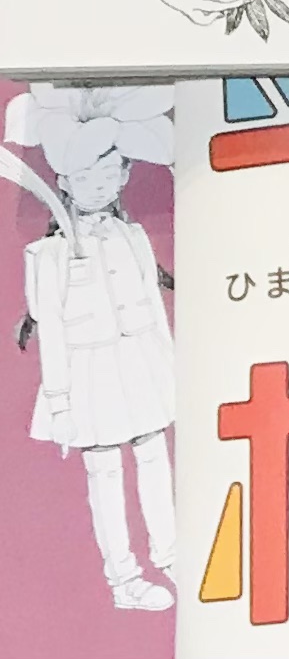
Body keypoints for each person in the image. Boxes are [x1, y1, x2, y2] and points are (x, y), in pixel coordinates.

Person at [5, 86, 177, 612]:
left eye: (107, 173)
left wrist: (171, 372)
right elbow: (53, 330)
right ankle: (124, 578)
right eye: (84, 177)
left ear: (124, 175)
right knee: (104, 471)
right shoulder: (47, 255)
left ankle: (169, 552)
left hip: (140, 362)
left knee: (153, 456)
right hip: (89, 375)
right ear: (62, 181)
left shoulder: (133, 237)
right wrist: (60, 403)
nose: (98, 186)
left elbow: (154, 308)